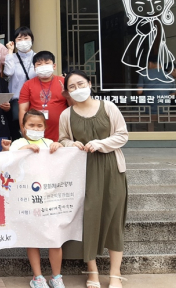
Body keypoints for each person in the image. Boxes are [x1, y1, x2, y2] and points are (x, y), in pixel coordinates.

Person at [59, 70, 128, 288]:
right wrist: (71, 144)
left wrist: (101, 143)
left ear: (89, 84)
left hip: (111, 168)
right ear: (67, 92)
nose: (77, 89)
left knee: (114, 219)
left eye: (81, 84)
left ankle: (115, 274)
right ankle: (92, 271)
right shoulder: (66, 115)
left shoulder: (108, 107)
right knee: (88, 219)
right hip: (83, 170)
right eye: (72, 87)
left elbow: (122, 135)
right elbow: (62, 139)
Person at [1, 110, 65, 288]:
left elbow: (63, 162)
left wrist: (59, 147)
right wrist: (23, 151)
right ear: (23, 127)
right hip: (27, 199)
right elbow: (9, 163)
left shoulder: (49, 143)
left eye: (39, 126)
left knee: (55, 239)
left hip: (50, 199)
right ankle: (38, 277)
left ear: (45, 127)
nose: (35, 129)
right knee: (32, 238)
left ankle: (57, 276)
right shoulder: (17, 143)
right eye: (31, 125)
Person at [18, 51, 69, 142]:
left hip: (61, 134)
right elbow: (23, 110)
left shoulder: (63, 82)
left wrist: (68, 96)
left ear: (54, 66)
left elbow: (73, 106)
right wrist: (24, 132)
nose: (43, 66)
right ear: (34, 68)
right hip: (34, 134)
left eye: (47, 63)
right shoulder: (27, 85)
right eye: (39, 64)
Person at [4, 26, 37, 140]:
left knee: (35, 128)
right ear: (14, 41)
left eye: (26, 38)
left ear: (32, 39)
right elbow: (8, 72)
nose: (23, 41)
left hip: (34, 99)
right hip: (16, 101)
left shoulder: (38, 57)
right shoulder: (11, 57)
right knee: (18, 133)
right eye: (19, 39)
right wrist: (10, 51)